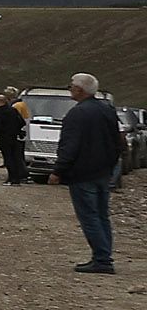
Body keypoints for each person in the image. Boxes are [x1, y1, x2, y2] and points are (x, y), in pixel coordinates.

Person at [49, 73, 122, 274]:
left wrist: (58, 170)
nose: (69, 88)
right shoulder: (107, 110)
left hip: (83, 173)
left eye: (71, 86)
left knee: (89, 216)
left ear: (79, 90)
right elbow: (118, 142)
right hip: (103, 172)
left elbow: (69, 146)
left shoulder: (77, 114)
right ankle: (104, 254)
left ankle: (102, 259)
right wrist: (111, 165)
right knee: (101, 215)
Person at [0, 94, 28, 185]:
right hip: (14, 137)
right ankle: (17, 178)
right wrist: (16, 130)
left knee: (8, 158)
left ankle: (11, 178)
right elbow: (22, 122)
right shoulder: (13, 110)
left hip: (4, 137)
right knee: (15, 157)